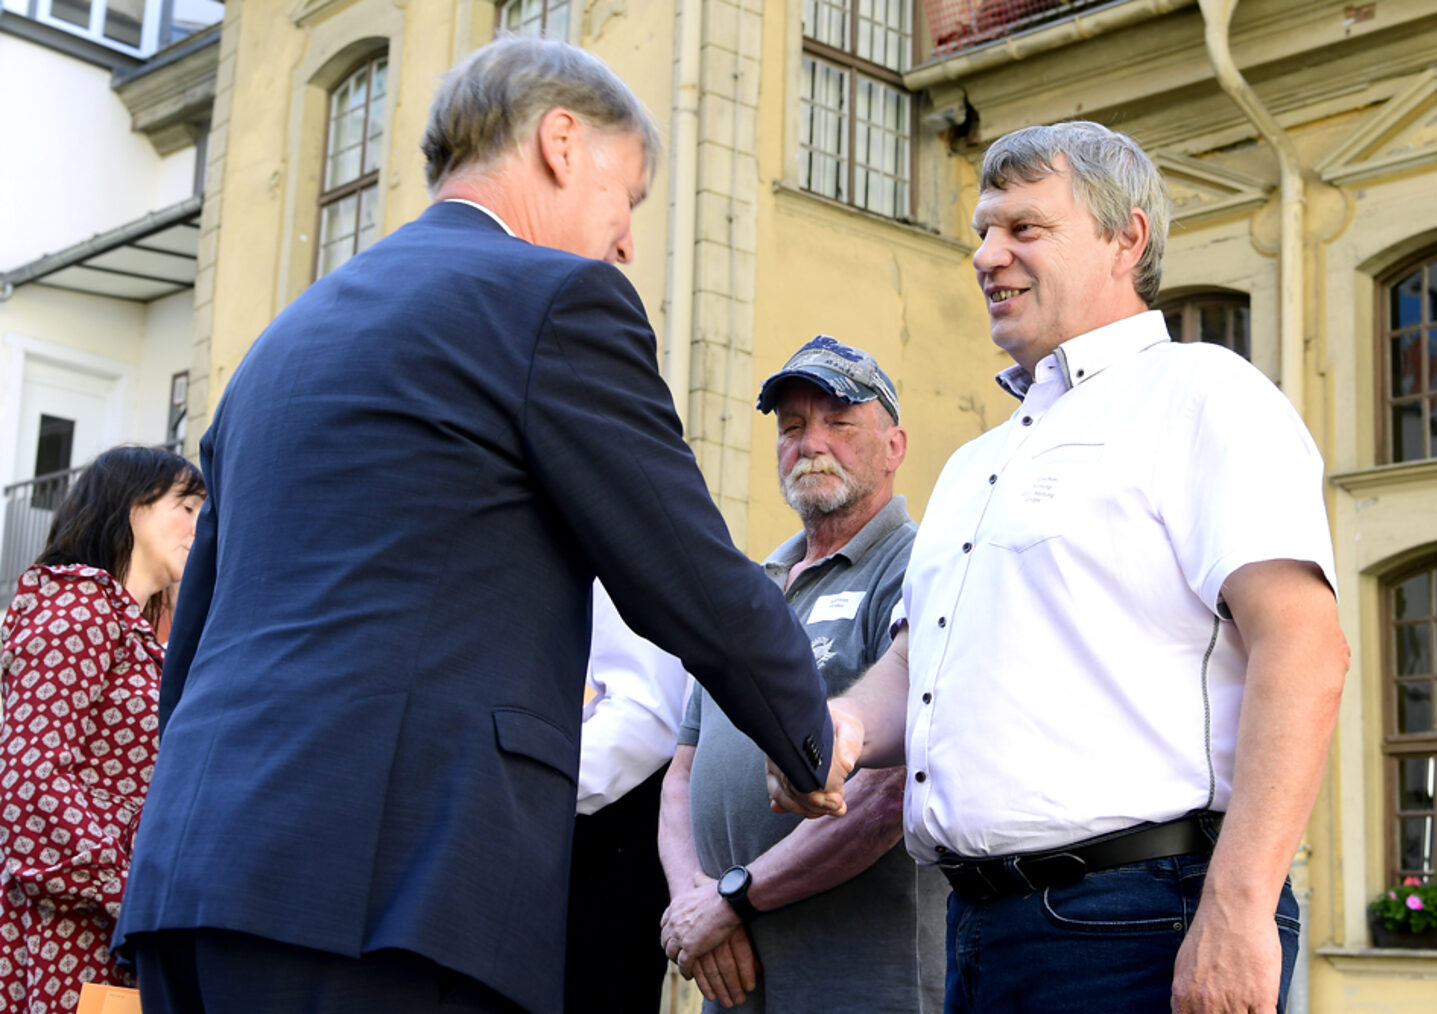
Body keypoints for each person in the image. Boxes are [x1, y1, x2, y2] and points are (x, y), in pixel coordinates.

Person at [114, 36, 837, 1014]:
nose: (625, 240)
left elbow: (193, 641)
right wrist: (809, 739)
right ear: (560, 143)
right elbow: (687, 569)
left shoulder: (282, 342)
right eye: (626, 196)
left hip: (194, 883)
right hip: (387, 898)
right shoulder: (555, 301)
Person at [769, 122, 1349, 1014]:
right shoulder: (974, 465)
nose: (986, 256)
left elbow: (1305, 647)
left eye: (1023, 229)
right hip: (982, 930)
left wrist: (1238, 909)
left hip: (1142, 923)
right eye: (981, 230)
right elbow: (917, 667)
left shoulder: (1202, 393)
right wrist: (834, 729)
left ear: (1129, 239)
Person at [660, 336, 945, 1012]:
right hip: (734, 971)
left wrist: (735, 897)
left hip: (861, 978)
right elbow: (680, 775)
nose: (811, 442)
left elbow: (889, 788)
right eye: (792, 428)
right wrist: (691, 902)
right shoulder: (748, 589)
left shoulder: (916, 567)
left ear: (894, 446)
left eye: (839, 423)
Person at [0, 445, 205, 1014]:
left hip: (114, 936)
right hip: (72, 935)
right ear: (131, 506)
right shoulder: (78, 607)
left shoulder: (131, 633)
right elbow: (30, 779)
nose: (199, 524)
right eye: (186, 505)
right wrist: (131, 891)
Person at [564, 581, 691, 1013]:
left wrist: (519, 788)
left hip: (598, 839)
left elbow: (646, 716)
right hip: (563, 820)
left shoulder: (611, 549)